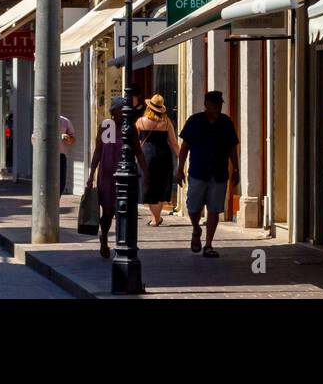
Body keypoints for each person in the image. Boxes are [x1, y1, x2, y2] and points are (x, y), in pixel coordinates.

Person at [175, 90, 239, 258]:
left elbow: (232, 148)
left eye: (219, 105)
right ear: (206, 105)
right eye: (214, 105)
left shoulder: (226, 123)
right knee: (193, 207)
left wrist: (236, 169)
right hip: (198, 171)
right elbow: (184, 148)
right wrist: (179, 168)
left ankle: (209, 244)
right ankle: (196, 228)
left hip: (219, 173)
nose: (217, 108)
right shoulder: (195, 121)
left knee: (214, 209)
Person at [86, 97, 147, 259]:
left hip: (125, 176)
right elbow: (98, 151)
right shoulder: (106, 126)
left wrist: (145, 173)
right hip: (106, 175)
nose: (124, 112)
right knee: (107, 211)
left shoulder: (130, 128)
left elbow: (138, 152)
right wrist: (91, 174)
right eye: (121, 109)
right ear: (114, 111)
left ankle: (123, 242)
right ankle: (104, 238)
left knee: (123, 211)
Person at [135, 94, 178, 227]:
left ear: (149, 107)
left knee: (149, 186)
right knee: (161, 186)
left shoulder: (140, 121)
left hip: (146, 156)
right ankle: (156, 218)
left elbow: (134, 142)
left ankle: (155, 218)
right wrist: (181, 159)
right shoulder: (166, 122)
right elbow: (174, 143)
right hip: (164, 156)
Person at [58, 113, 76, 194]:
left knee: (61, 184)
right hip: (46, 157)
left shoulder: (65, 121)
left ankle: (55, 203)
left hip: (60, 156)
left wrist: (68, 138)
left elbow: (73, 139)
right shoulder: (41, 119)